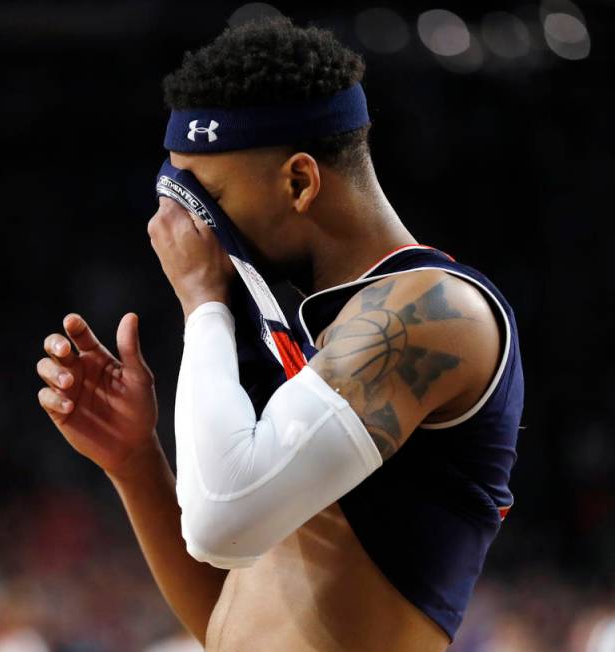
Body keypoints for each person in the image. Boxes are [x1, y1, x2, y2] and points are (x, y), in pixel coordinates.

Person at [36, 17, 524, 652]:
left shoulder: (432, 312)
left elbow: (221, 522)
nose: (183, 228)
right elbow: (227, 626)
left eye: (203, 197)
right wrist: (135, 464)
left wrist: (202, 303)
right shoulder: (311, 329)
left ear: (300, 181)